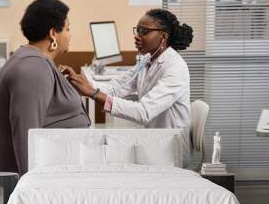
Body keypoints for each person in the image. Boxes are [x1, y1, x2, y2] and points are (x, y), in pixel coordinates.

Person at [64, 9, 193, 164]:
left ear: (163, 36)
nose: (137, 36)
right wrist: (81, 81)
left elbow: (144, 112)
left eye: (144, 31)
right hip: (153, 141)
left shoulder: (175, 67)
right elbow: (116, 87)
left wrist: (93, 93)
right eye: (137, 30)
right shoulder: (147, 60)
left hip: (170, 150)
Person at [0, 0, 90, 175]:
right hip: (42, 172)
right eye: (67, 29)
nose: (70, 35)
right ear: (53, 34)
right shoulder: (33, 69)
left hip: (60, 160)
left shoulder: (37, 61)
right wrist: (33, 188)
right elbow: (26, 135)